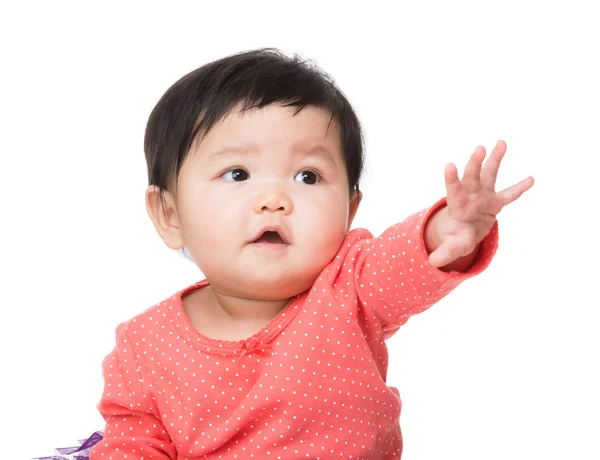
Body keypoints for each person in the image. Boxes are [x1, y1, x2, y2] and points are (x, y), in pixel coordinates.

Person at [89, 48, 534, 459]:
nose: (274, 199)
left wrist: (448, 231)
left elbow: (402, 261)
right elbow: (133, 442)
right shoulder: (144, 344)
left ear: (349, 211)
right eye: (237, 172)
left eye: (307, 176)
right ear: (169, 214)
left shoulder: (350, 287)